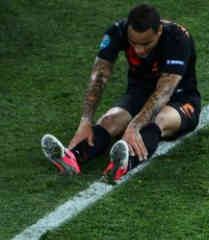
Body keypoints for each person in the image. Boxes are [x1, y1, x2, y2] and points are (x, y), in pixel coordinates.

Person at [40, 3, 200, 183]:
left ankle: (124, 163)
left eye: (147, 43)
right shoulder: (117, 31)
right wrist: (86, 120)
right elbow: (99, 76)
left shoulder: (178, 38)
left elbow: (165, 91)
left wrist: (135, 125)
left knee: (157, 121)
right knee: (109, 121)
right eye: (134, 43)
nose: (139, 50)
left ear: (159, 31)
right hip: (138, 95)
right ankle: (71, 157)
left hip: (179, 99)